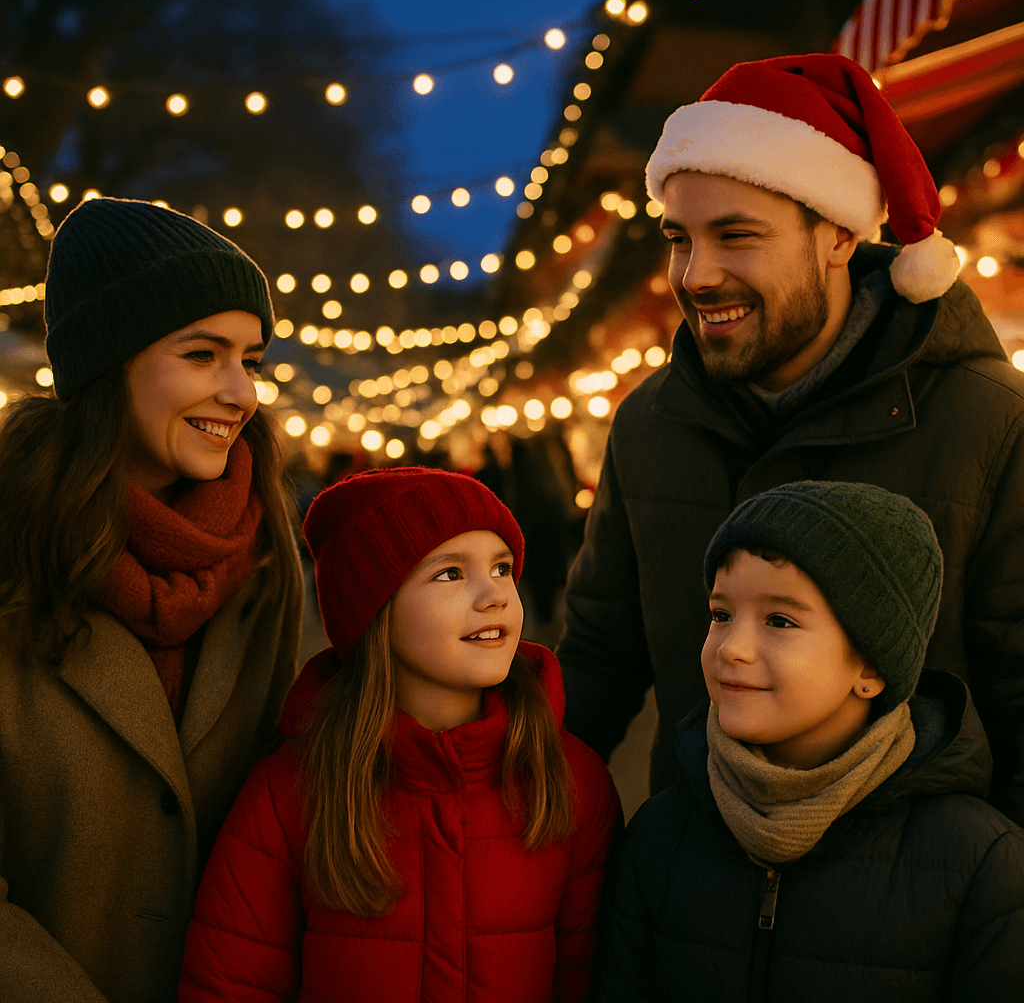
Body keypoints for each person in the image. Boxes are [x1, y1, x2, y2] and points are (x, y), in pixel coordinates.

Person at [558, 52, 1024, 823]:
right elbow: (597, 663)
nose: (695, 275)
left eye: (736, 236)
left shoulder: (990, 422)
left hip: (917, 916)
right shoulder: (647, 424)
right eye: (680, 238)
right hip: (689, 901)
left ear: (839, 235)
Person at [0, 197, 304, 1002]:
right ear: (111, 361)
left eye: (253, 359)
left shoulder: (264, 550)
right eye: (203, 354)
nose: (241, 392)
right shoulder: (13, 552)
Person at [177, 467, 622, 1003]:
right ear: (374, 610)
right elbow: (230, 986)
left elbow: (588, 979)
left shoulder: (572, 781)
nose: (494, 596)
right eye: (450, 574)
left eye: (502, 568)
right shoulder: (291, 794)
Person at [590, 481, 1024, 1002]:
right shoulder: (659, 836)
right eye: (721, 614)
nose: (732, 648)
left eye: (780, 620)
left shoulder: (981, 863)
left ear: (870, 666)